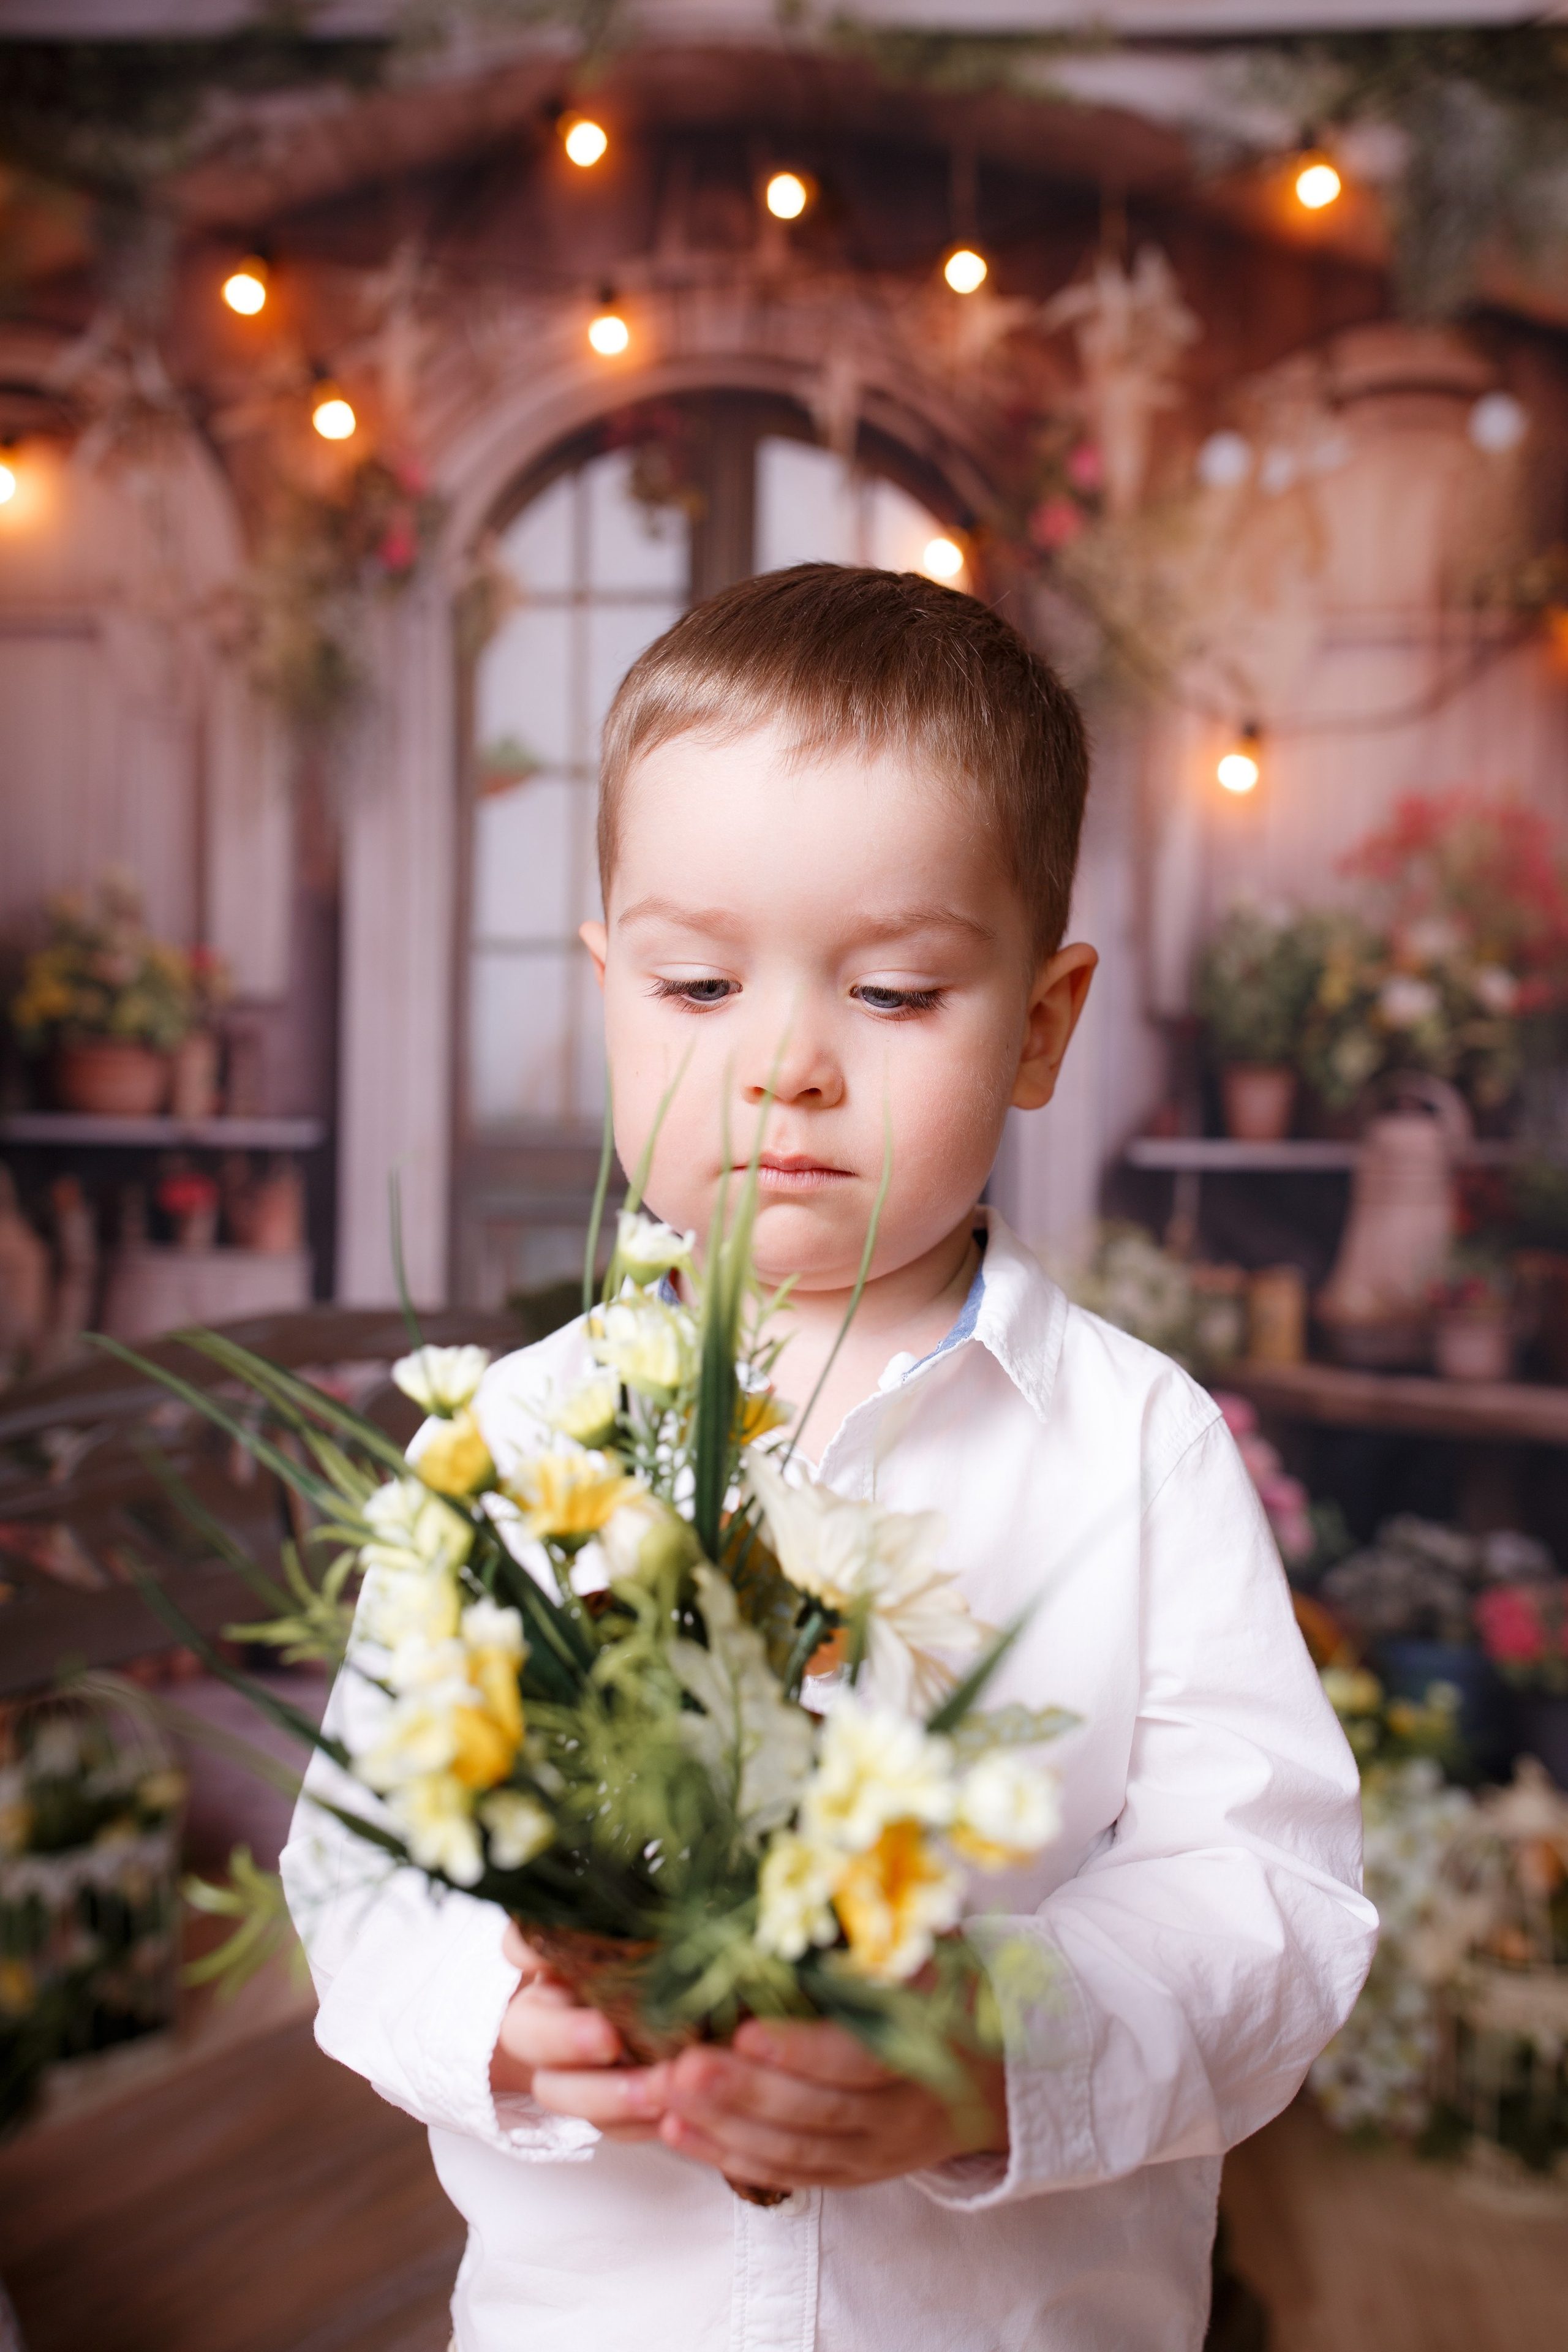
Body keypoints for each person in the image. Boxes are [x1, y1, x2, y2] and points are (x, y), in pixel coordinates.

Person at [282, 564, 1374, 2352]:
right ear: (609, 987)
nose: (782, 1063)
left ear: (1038, 1022)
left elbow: (1267, 1893)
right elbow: (357, 1869)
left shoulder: (1136, 1447)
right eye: (699, 981)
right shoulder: (512, 1446)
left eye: (890, 991)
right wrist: (499, 2011)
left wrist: (994, 2057)